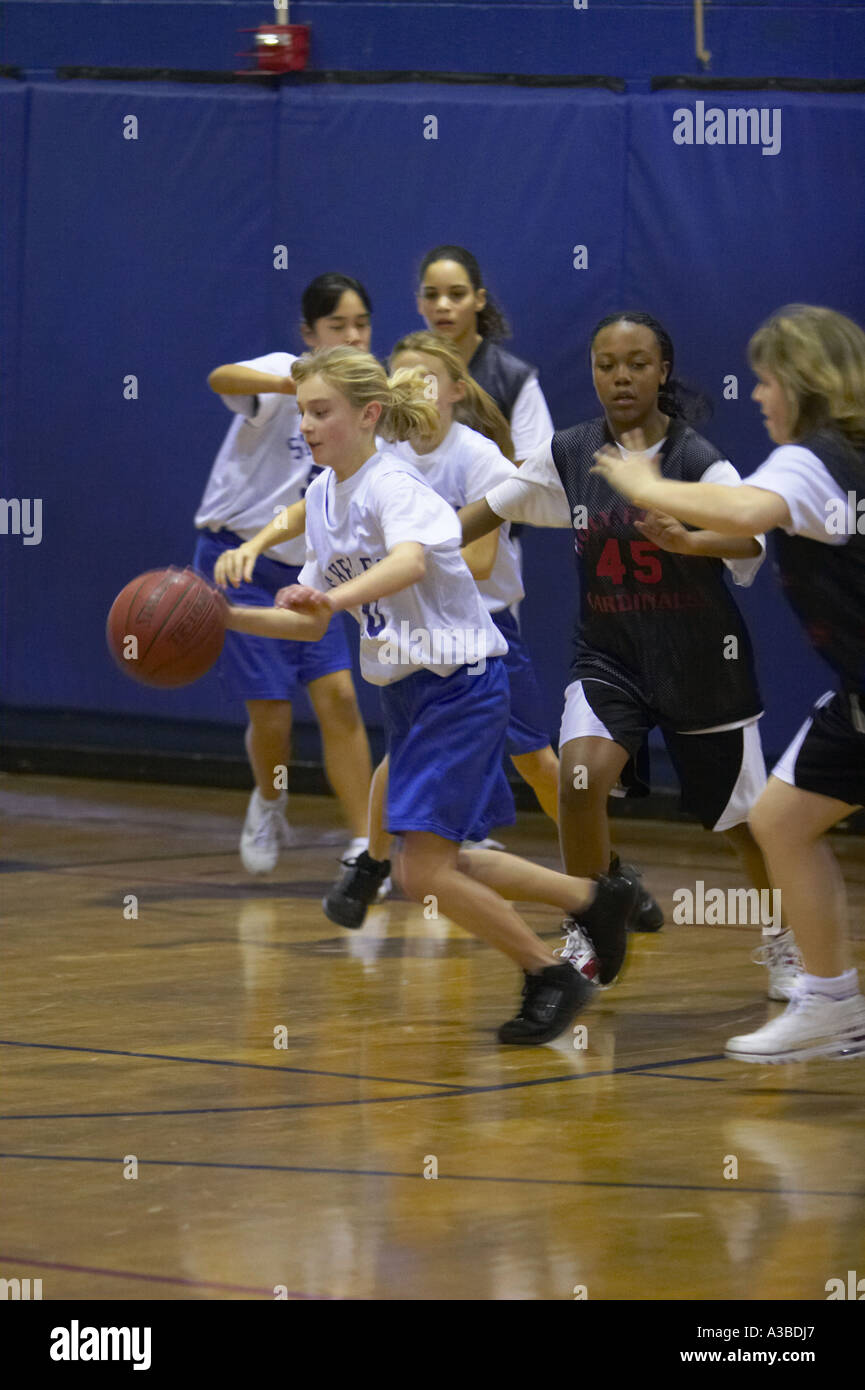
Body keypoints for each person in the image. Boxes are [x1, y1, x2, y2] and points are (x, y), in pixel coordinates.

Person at [223, 344, 639, 1044]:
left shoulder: (395, 486)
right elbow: (308, 613)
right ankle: (596, 898)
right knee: (442, 863)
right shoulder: (323, 497)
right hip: (408, 696)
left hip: (463, 687)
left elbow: (408, 561)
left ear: (369, 415)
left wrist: (333, 600)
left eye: (322, 412)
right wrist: (222, 618)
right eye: (302, 414)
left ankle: (549, 974)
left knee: (421, 871)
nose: (309, 427)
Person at [459, 312, 798, 997]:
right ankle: (590, 925)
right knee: (579, 780)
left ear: (661, 372)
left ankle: (786, 938)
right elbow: (487, 510)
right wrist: (414, 543)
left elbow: (753, 542)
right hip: (610, 655)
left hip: (701, 663)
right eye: (606, 364)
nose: (619, 376)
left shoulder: (697, 460)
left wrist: (693, 540)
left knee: (741, 824)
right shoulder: (571, 451)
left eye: (636, 363)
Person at [590, 304, 865, 1062]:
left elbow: (746, 505)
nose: (759, 396)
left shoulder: (813, 458)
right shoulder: (843, 457)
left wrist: (645, 481)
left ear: (802, 383)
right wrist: (689, 540)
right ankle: (831, 1003)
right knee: (779, 821)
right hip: (855, 699)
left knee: (778, 822)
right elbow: (761, 524)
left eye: (766, 381)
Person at [323, 331, 559, 929]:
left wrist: (401, 558)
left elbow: (476, 564)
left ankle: (601, 866)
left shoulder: (475, 455)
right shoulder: (385, 455)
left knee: (535, 761)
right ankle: (376, 863)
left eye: (426, 378)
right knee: (399, 757)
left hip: (482, 630)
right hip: (417, 632)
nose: (413, 388)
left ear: (456, 389)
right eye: (400, 376)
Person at [193, 274, 374, 874]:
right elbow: (220, 377)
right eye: (336, 326)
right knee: (271, 712)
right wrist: (288, 381)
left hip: (309, 572)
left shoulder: (365, 398)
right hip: (239, 556)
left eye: (361, 324)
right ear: (309, 334)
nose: (351, 335)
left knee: (341, 700)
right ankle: (269, 799)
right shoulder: (280, 372)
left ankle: (365, 848)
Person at [415, 244, 554, 462]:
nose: (442, 305)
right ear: (419, 303)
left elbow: (535, 475)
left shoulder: (514, 379)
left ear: (479, 299)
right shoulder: (396, 373)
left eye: (457, 294)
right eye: (431, 295)